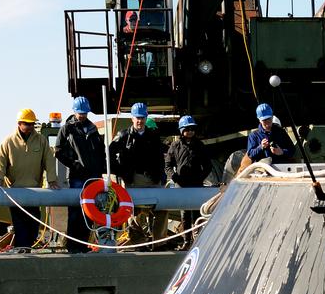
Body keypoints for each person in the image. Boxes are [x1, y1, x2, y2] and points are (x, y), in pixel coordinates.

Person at [0, 108, 58, 252]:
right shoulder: (8, 141)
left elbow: (49, 160)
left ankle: (26, 246)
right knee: (20, 223)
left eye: (32, 124)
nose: (30, 127)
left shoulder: (41, 141)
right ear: (19, 123)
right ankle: (22, 249)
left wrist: (52, 180)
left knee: (34, 223)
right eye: (27, 124)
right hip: (15, 192)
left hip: (34, 191)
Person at [109, 102, 167, 243]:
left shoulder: (153, 136)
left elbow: (160, 158)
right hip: (133, 180)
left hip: (153, 179)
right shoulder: (123, 136)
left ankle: (159, 242)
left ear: (146, 118)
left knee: (162, 208)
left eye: (142, 117)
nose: (140, 120)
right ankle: (137, 241)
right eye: (137, 117)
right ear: (132, 118)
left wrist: (162, 175)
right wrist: (122, 172)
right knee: (132, 211)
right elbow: (109, 156)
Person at [54, 96, 106, 253]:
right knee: (75, 212)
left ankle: (83, 245)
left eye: (85, 113)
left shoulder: (92, 128)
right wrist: (73, 164)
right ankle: (72, 246)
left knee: (90, 211)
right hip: (78, 176)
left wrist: (100, 169)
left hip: (93, 176)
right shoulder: (67, 128)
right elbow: (58, 150)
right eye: (80, 113)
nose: (83, 115)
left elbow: (100, 151)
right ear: (74, 112)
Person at [165, 115, 212, 243]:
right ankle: (186, 241)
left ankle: (197, 240)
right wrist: (175, 178)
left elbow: (208, 165)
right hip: (181, 184)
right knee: (184, 213)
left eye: (192, 128)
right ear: (181, 131)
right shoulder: (175, 146)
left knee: (197, 212)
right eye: (187, 129)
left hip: (196, 184)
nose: (190, 131)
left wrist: (200, 177)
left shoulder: (200, 145)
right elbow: (168, 165)